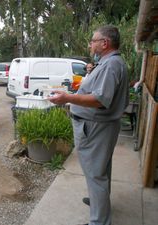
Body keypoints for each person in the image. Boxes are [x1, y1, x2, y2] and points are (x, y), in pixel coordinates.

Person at [48, 25, 129, 225]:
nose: (90, 44)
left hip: (95, 128)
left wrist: (68, 97)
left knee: (95, 174)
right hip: (99, 126)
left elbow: (100, 100)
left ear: (105, 43)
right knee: (101, 170)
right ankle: (98, 202)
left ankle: (99, 221)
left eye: (93, 40)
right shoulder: (109, 63)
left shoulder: (110, 65)